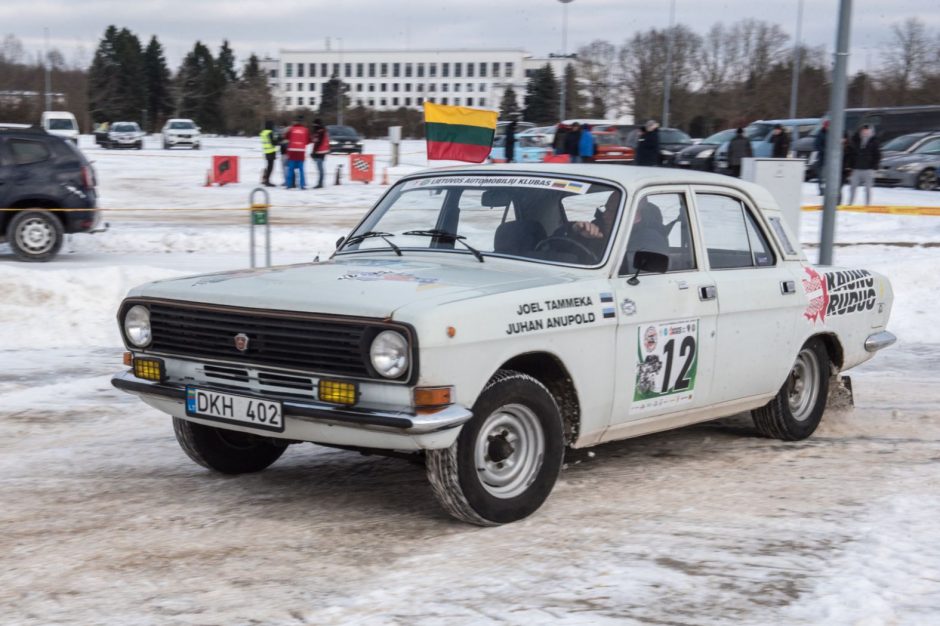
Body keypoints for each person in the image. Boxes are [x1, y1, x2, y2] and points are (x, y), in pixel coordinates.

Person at [848, 125, 881, 206]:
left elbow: (877, 155)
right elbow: (851, 154)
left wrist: (874, 166)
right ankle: (850, 203)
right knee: (852, 187)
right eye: (863, 131)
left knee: (868, 188)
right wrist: (850, 166)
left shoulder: (874, 141)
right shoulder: (856, 140)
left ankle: (867, 204)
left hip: (868, 169)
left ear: (870, 132)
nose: (865, 133)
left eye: (867, 131)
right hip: (856, 168)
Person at [283, 116, 311, 189]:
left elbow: (286, 137)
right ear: (302, 122)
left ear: (295, 122)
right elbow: (309, 140)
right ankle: (302, 185)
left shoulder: (291, 129)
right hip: (301, 152)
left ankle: (289, 185)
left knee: (290, 169)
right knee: (301, 170)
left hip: (292, 152)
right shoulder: (305, 130)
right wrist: (302, 143)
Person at [310, 119, 330, 189]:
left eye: (314, 124)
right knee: (320, 168)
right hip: (322, 151)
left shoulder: (319, 131)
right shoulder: (323, 130)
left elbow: (318, 142)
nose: (313, 126)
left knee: (320, 168)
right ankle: (320, 182)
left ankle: (320, 183)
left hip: (319, 152)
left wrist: (313, 152)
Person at [259, 121, 278, 187]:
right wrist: (277, 140)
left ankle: (264, 179)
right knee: (270, 167)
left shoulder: (263, 133)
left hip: (266, 151)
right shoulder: (270, 133)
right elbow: (274, 143)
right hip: (271, 151)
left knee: (268, 166)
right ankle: (267, 181)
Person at [814, 120, 829, 195]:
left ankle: (827, 190)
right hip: (822, 157)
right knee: (821, 176)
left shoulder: (832, 133)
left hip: (829, 158)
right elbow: (817, 145)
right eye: (826, 126)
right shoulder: (820, 133)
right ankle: (821, 190)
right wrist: (824, 151)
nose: (827, 127)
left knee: (827, 175)